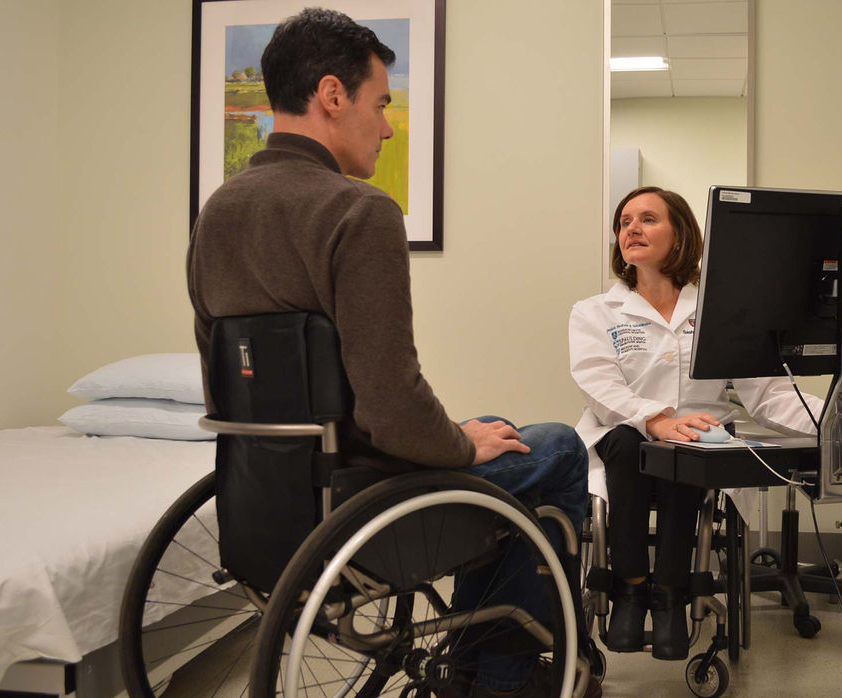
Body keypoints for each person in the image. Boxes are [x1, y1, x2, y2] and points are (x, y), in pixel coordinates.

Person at [186, 9, 595, 697]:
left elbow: (223, 378)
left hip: (268, 505)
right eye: (381, 105)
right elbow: (393, 407)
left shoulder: (218, 212)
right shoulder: (358, 210)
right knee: (552, 447)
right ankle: (502, 675)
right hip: (359, 503)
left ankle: (474, 657)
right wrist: (458, 449)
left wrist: (464, 436)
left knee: (491, 425)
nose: (387, 126)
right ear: (332, 95)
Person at [568, 186, 821, 660]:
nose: (632, 229)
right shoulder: (594, 312)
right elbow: (599, 387)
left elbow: (764, 393)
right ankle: (629, 589)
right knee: (630, 438)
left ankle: (669, 597)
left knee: (692, 442)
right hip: (623, 448)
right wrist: (657, 420)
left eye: (647, 219)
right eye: (625, 222)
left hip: (695, 452)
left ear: (680, 234)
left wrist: (837, 423)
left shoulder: (718, 311)